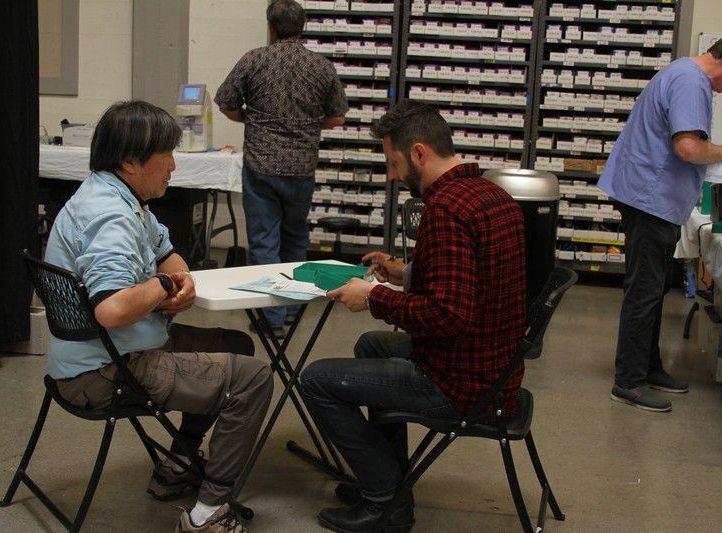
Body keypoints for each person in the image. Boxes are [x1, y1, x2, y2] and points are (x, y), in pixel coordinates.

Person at [44, 100, 273, 533]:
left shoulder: (116, 195)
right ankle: (207, 514)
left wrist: (180, 283)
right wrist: (166, 286)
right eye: (166, 153)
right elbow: (112, 308)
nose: (173, 165)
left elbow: (169, 255)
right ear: (131, 161)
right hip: (106, 371)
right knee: (254, 378)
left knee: (236, 346)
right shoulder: (111, 216)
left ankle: (178, 465)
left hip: (103, 354)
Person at [299, 101, 527, 532]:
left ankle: (385, 501)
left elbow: (448, 316)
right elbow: (475, 280)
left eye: (394, 163)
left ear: (420, 152)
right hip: (495, 369)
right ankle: (389, 481)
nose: (392, 175)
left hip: (461, 384)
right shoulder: (491, 195)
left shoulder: (445, 210)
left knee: (314, 380)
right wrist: (405, 274)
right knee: (372, 345)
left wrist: (373, 296)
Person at [599, 40, 722, 413]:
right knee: (645, 291)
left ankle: (648, 367)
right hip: (650, 200)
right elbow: (689, 148)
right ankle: (629, 381)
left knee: (652, 289)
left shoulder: (684, 72)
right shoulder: (691, 81)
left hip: (651, 198)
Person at [214, 0, 348, 337]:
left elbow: (225, 102)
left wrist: (253, 119)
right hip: (301, 167)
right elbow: (338, 116)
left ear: (271, 27)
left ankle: (270, 318)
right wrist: (309, 124)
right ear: (302, 27)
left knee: (264, 241)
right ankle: (291, 308)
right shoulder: (321, 66)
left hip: (261, 165)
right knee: (295, 237)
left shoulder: (254, 59)